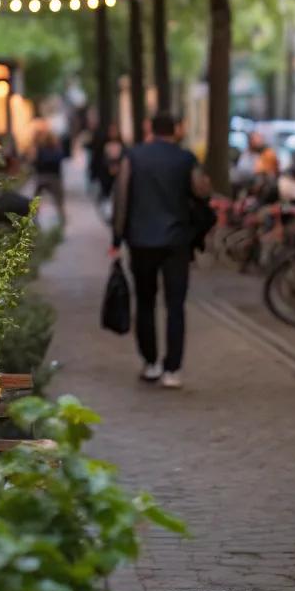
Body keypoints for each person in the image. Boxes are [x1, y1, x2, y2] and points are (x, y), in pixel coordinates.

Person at [111, 112, 213, 389]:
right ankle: (173, 369)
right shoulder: (186, 158)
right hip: (177, 242)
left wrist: (117, 238)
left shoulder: (133, 157)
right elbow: (202, 191)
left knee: (145, 302)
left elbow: (121, 197)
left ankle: (151, 363)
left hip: (141, 241)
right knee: (175, 306)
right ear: (176, 130)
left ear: (150, 129)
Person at [30, 123, 66, 221]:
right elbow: (61, 161)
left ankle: (33, 218)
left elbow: (34, 162)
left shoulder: (40, 148)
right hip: (55, 177)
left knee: (36, 200)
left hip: (41, 177)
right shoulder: (57, 149)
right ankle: (62, 219)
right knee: (59, 202)